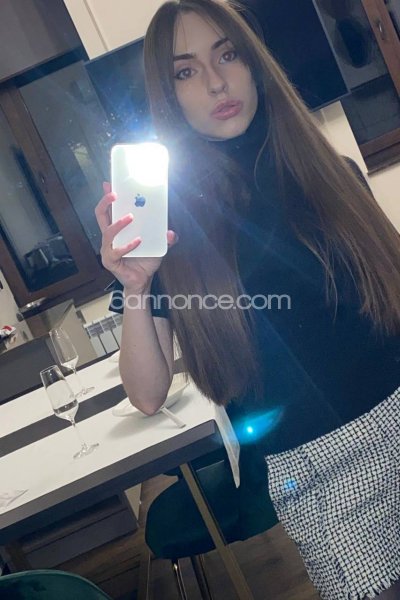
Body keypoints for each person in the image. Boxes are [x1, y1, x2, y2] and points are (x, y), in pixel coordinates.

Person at [95, 1, 400, 598]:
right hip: (321, 472)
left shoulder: (332, 173)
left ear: (254, 65)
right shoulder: (166, 234)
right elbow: (147, 394)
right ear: (168, 96)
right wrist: (136, 286)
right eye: (186, 71)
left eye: (228, 55)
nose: (216, 82)